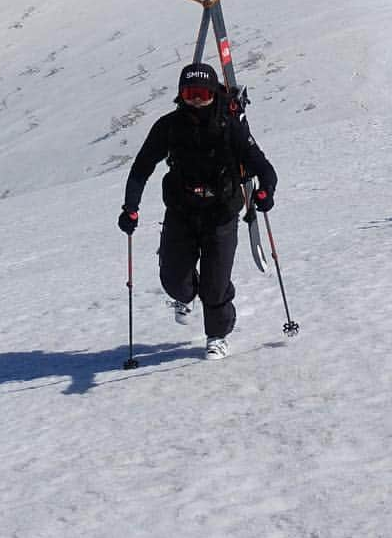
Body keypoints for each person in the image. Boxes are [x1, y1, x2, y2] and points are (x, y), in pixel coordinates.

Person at [117, 62, 277, 360]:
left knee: (215, 285)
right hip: (182, 211)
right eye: (190, 93)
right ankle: (185, 297)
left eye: (203, 93)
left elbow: (262, 165)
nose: (197, 100)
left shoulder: (230, 126)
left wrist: (266, 191)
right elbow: (141, 167)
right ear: (181, 95)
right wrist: (131, 208)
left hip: (221, 213)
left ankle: (217, 335)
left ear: (215, 93)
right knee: (174, 280)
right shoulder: (169, 126)